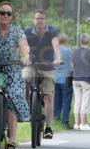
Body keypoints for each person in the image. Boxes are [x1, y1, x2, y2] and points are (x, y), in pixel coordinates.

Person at [0, 1, 32, 149]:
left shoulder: (17, 31)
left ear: (12, 17)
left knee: (13, 95)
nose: (5, 16)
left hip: (12, 67)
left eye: (8, 13)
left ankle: (13, 139)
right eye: (2, 13)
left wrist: (27, 57)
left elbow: (24, 47)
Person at [24, 9, 63, 140]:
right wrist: (25, 57)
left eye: (42, 18)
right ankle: (26, 107)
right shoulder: (27, 32)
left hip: (47, 66)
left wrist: (58, 58)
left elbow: (56, 45)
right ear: (34, 20)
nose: (39, 20)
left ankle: (48, 127)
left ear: (46, 20)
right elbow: (23, 47)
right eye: (37, 18)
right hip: (32, 64)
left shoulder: (52, 32)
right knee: (25, 78)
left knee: (48, 97)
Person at [72, 33, 90, 130]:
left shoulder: (74, 52)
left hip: (75, 78)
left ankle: (76, 124)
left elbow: (72, 65)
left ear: (80, 41)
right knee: (85, 102)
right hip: (86, 78)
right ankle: (83, 124)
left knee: (77, 101)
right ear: (88, 41)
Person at [53, 33, 74, 127]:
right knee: (66, 100)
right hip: (66, 78)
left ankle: (56, 118)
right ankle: (65, 121)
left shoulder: (53, 51)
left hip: (55, 78)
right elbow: (71, 65)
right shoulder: (68, 51)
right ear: (65, 40)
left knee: (56, 100)